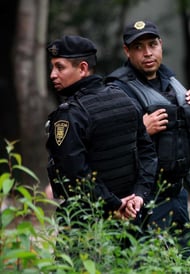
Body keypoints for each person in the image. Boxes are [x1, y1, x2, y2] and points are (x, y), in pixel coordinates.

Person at [105, 20, 190, 261]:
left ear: (161, 45)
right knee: (142, 263)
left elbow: (184, 131)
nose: (148, 52)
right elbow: (106, 145)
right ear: (126, 51)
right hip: (140, 198)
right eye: (138, 47)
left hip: (177, 193)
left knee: (183, 260)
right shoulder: (116, 90)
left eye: (152, 44)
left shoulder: (172, 83)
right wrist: (142, 129)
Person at [45, 35, 157, 225]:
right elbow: (148, 153)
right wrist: (138, 196)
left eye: (60, 67)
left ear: (82, 68)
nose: (53, 74)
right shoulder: (125, 99)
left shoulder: (70, 115)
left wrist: (114, 205)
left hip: (88, 221)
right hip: (133, 218)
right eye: (53, 67)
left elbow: (75, 174)